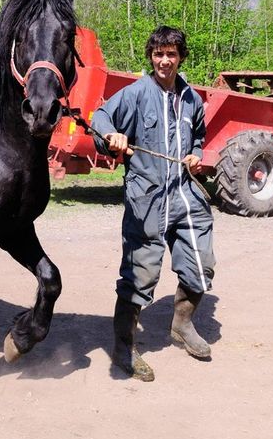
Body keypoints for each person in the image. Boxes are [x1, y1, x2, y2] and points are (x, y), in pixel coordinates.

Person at [90, 25, 215, 382]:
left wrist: (195, 155)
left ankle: (182, 325)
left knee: (201, 265)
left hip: (186, 197)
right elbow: (100, 118)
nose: (164, 60)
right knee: (139, 274)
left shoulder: (192, 99)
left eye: (171, 54)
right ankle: (123, 346)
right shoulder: (135, 94)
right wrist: (111, 135)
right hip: (147, 199)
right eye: (159, 54)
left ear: (180, 57)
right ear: (151, 56)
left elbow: (199, 137)